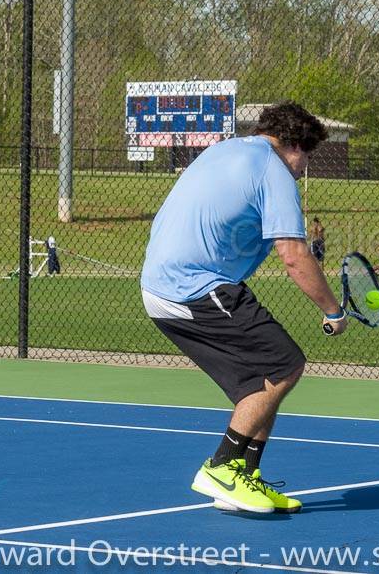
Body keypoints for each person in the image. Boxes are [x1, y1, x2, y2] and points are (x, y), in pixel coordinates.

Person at [140, 101, 347, 514]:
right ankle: (220, 467)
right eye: (307, 155)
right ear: (294, 146)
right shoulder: (274, 171)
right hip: (193, 285)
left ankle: (242, 477)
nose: (304, 166)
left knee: (262, 379)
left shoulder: (225, 150)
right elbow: (293, 255)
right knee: (284, 365)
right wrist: (333, 311)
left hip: (163, 285)